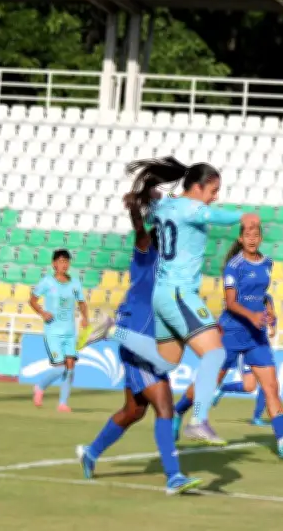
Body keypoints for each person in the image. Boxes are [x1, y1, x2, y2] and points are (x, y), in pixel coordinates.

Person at [101, 156, 259, 445]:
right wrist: (244, 216)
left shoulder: (165, 207)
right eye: (213, 190)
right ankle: (198, 420)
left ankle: (111, 331)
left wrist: (145, 199)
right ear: (198, 187)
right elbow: (217, 216)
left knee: (167, 361)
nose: (215, 197)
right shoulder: (192, 208)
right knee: (215, 354)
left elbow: (148, 216)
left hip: (162, 294)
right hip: (179, 293)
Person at [77, 191, 201, 494]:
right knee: (164, 406)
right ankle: (174, 477)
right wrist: (135, 208)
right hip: (135, 337)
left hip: (149, 343)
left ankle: (91, 452)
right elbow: (140, 231)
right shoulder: (148, 256)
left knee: (134, 410)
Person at [174, 224, 283, 458]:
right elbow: (231, 302)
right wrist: (253, 315)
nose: (252, 239)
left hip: (256, 336)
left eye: (256, 235)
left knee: (271, 387)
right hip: (231, 333)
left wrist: (270, 313)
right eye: (247, 235)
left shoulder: (267, 263)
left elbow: (263, 295)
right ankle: (177, 412)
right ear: (240, 238)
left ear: (261, 238)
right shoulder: (234, 266)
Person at [29, 249, 89, 412]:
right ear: (54, 264)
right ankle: (40, 386)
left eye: (66, 261)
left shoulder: (75, 284)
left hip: (70, 333)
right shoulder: (47, 282)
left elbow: (82, 302)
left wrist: (85, 318)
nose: (64, 264)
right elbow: (32, 300)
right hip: (53, 332)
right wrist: (42, 313)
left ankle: (63, 403)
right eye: (61, 261)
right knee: (60, 368)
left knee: (70, 366)